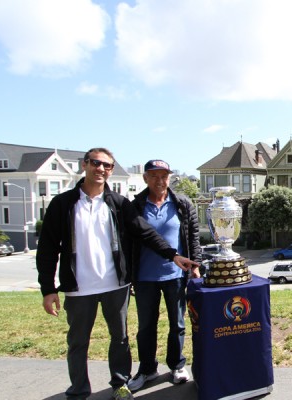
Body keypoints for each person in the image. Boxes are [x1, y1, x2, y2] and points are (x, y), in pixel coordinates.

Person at [36, 148, 200, 400]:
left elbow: (145, 232)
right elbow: (47, 248)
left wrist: (173, 255)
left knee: (120, 339)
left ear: (111, 170)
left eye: (107, 166)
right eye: (96, 163)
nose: (101, 169)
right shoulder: (63, 204)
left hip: (115, 284)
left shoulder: (119, 204)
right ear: (85, 165)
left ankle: (120, 383)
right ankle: (78, 390)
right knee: (78, 343)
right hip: (78, 287)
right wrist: (48, 289)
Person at [128, 160, 202, 391]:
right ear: (145, 178)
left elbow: (193, 237)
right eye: (154, 176)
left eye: (164, 176)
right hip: (144, 277)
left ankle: (177, 365)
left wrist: (195, 265)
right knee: (146, 326)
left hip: (176, 275)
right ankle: (147, 370)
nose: (160, 181)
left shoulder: (182, 203)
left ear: (170, 178)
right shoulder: (136, 205)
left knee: (177, 324)